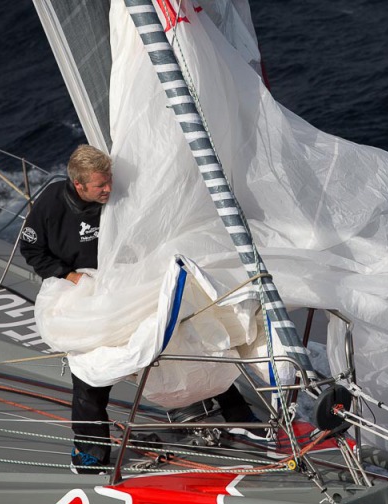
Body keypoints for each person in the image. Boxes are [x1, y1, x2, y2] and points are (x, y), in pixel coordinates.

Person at [20, 144, 258, 474]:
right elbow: (32, 250)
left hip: (129, 287)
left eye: (110, 182)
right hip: (86, 298)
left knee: (183, 342)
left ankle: (240, 417)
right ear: (79, 185)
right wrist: (72, 276)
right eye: (100, 186)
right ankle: (91, 452)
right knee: (90, 373)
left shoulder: (120, 197)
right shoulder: (50, 205)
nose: (108, 190)